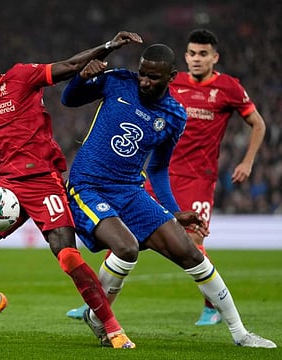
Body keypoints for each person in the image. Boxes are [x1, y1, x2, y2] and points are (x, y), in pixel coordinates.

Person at [60, 43, 276, 348]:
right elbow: (69, 99)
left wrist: (173, 211)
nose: (144, 81)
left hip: (130, 189)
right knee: (126, 247)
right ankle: (100, 318)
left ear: (171, 76)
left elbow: (159, 168)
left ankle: (241, 334)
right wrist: (82, 77)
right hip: (88, 185)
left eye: (153, 77)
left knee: (190, 252)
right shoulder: (120, 80)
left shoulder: (174, 115)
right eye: (143, 73)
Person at [0, 31, 143, 349]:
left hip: (44, 182)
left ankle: (111, 327)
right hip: (8, 189)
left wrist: (109, 46)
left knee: (67, 256)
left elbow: (69, 65)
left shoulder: (21, 77)